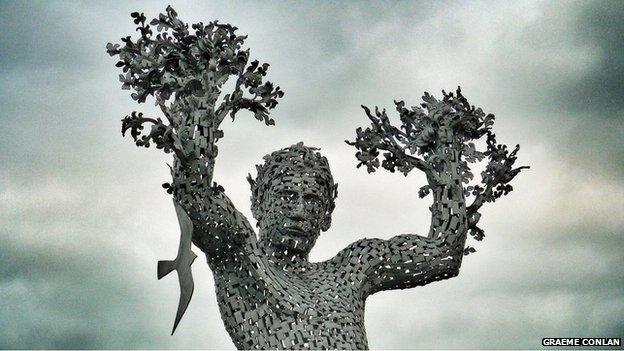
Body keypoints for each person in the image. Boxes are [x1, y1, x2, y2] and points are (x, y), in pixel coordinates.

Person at [174, 141, 467, 350]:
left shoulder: (352, 270)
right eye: (287, 196)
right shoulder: (244, 261)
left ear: (327, 216)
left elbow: (444, 254)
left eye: (312, 201)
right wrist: (197, 85)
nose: (300, 211)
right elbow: (193, 194)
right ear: (259, 203)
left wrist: (445, 155)